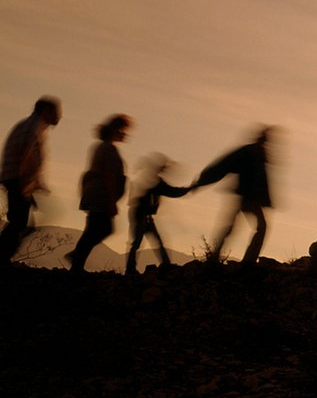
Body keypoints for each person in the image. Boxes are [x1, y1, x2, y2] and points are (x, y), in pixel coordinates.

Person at [197, 127, 275, 265]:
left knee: (231, 227)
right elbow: (227, 165)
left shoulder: (254, 153)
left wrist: (202, 181)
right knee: (260, 227)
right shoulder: (253, 153)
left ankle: (215, 258)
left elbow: (225, 164)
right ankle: (248, 261)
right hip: (249, 199)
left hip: (245, 197)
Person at [1, 96, 62, 264]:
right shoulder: (33, 127)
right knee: (19, 223)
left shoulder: (30, 126)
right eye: (56, 111)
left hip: (17, 179)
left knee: (20, 223)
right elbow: (25, 155)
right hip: (19, 180)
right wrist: (26, 184)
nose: (60, 116)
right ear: (46, 111)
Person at [69, 114, 132, 272]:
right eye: (123, 130)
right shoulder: (108, 149)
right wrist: (111, 201)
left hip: (97, 194)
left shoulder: (102, 147)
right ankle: (76, 259)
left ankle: (77, 262)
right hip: (101, 195)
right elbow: (109, 176)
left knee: (94, 228)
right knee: (102, 228)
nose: (125, 134)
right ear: (116, 130)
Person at [126, 156, 194, 273]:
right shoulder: (155, 182)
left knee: (141, 242)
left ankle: (132, 269)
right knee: (139, 242)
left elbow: (170, 191)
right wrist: (189, 189)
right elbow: (172, 192)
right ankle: (132, 269)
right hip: (142, 216)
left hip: (142, 215)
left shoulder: (151, 180)